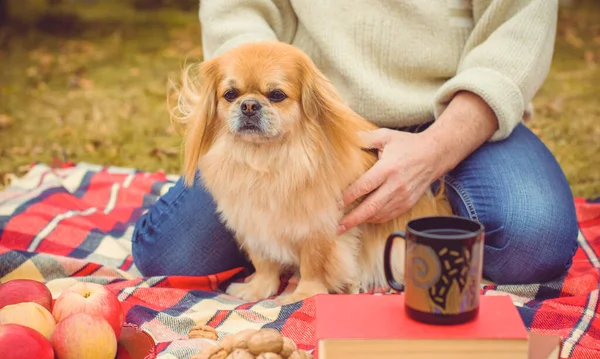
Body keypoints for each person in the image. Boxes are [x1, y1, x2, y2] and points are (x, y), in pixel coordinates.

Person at [131, 0, 578, 285]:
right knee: (169, 253)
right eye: (235, 97)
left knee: (533, 241)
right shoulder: (263, 101)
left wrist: (437, 151)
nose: (245, 103)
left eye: (259, 96)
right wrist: (264, 75)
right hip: (309, 121)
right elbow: (237, 10)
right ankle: (301, 244)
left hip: (456, 115)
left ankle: (393, 233)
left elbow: (515, 35)